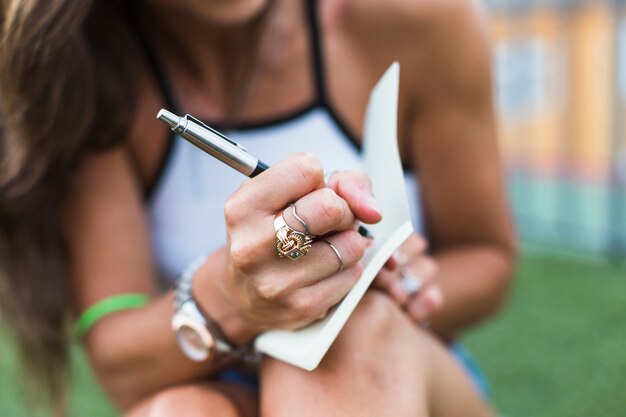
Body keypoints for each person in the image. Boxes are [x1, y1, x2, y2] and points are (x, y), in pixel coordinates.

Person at [0, 0, 516, 415]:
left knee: (346, 341)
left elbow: (487, 255)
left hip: (401, 368)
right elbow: (119, 360)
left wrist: (386, 285)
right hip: (221, 382)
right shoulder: (93, 77)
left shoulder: (412, 17)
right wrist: (233, 295)